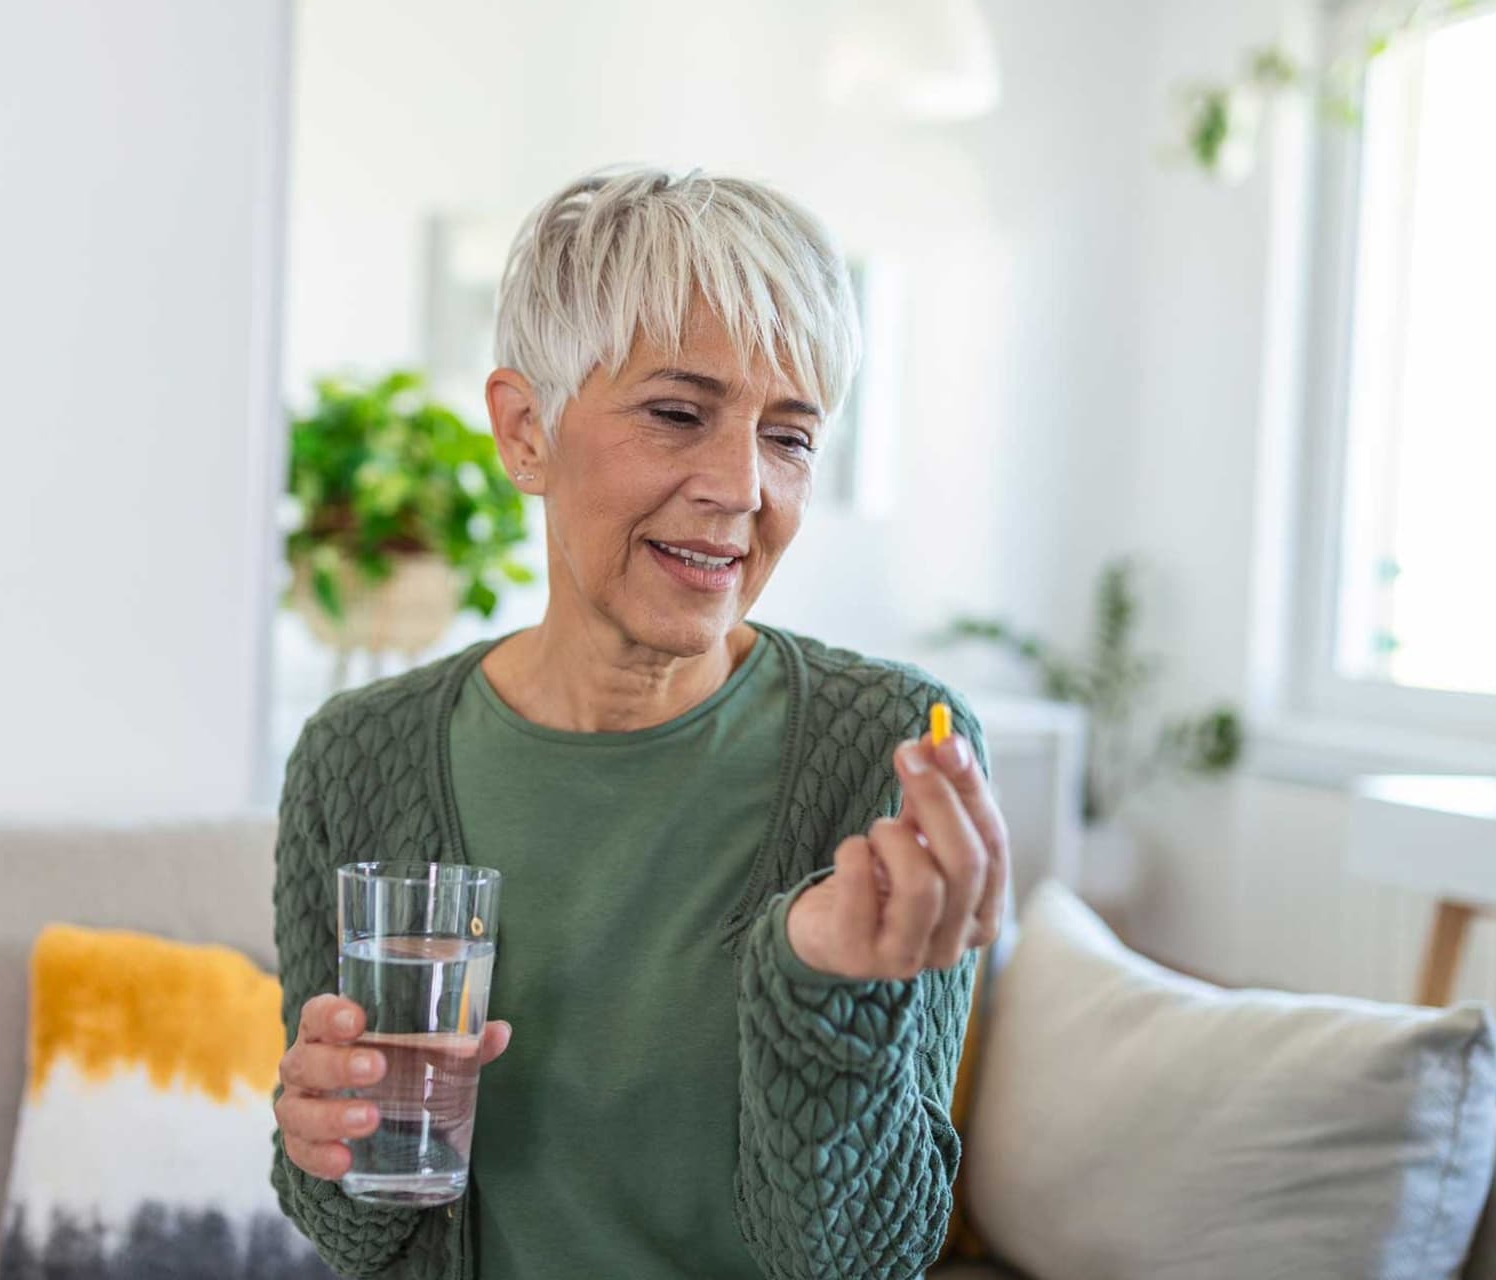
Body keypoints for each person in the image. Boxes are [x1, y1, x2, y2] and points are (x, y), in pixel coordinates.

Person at [269, 166, 1010, 1280]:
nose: (739, 485)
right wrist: (322, 1135)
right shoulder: (357, 758)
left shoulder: (889, 747)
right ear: (526, 431)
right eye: (677, 412)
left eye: (789, 437)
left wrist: (818, 981)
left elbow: (864, 1261)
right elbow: (360, 1224)